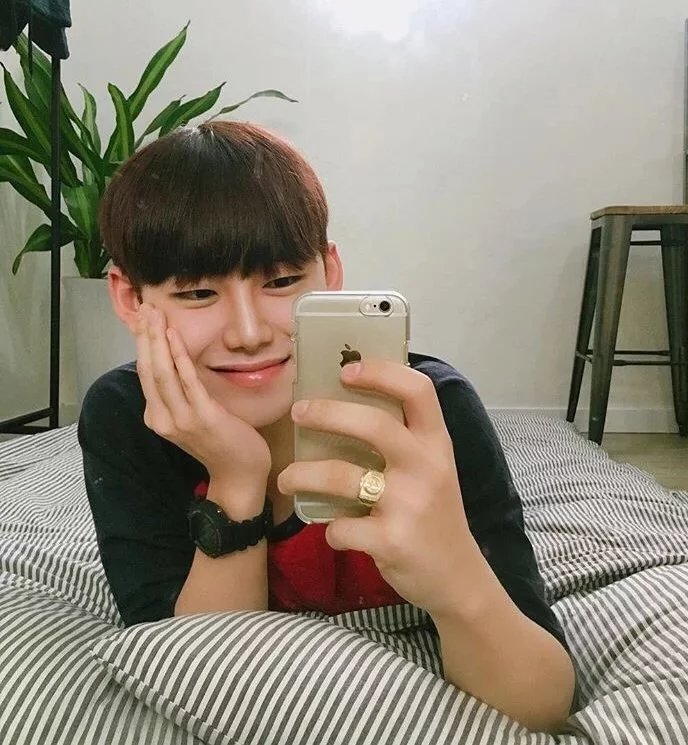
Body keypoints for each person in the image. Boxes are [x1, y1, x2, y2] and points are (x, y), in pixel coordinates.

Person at [78, 120, 576, 733]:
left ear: (330, 272)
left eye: (282, 282)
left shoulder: (430, 410)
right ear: (131, 299)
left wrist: (453, 575)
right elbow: (200, 682)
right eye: (198, 293)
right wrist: (236, 480)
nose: (249, 333)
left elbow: (539, 708)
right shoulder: (126, 418)